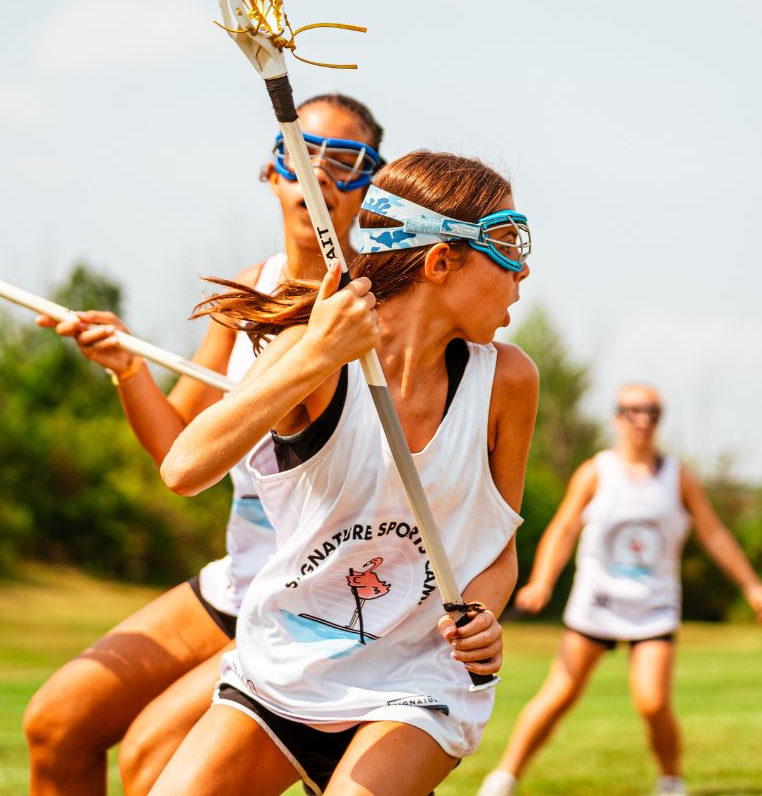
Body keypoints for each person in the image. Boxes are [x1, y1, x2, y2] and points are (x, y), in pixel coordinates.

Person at [22, 95, 387, 796]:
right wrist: (127, 368)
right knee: (56, 724)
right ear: (272, 170)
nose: (318, 174)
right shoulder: (246, 294)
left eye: (344, 162)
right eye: (300, 153)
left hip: (321, 601)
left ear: (372, 182)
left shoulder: (381, 301)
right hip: (240, 583)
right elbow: (178, 452)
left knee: (152, 760)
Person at [147, 151, 538, 796]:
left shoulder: (509, 381)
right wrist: (313, 355)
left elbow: (498, 555)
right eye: (503, 245)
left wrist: (485, 615)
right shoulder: (318, 353)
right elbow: (184, 468)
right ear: (441, 262)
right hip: (284, 665)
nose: (522, 270)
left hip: (418, 682)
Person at [479, 384, 762, 796]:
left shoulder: (678, 476)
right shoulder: (596, 472)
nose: (643, 421)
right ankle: (503, 778)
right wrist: (542, 581)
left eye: (652, 412)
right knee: (558, 695)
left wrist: (752, 584)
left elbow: (714, 533)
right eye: (634, 411)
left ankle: (671, 782)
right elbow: (564, 529)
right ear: (617, 418)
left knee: (653, 702)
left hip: (653, 606)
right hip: (596, 603)